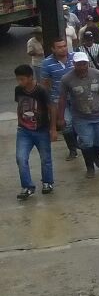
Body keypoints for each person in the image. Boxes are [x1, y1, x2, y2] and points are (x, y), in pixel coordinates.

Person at [58, 52, 99, 178]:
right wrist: (61, 117)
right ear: (74, 64)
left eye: (84, 64)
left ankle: (95, 156)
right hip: (80, 116)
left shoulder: (98, 74)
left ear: (88, 63)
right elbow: (62, 99)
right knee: (87, 142)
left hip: (98, 113)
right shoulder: (66, 79)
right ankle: (90, 167)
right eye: (79, 64)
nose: (82, 67)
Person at [14, 65, 55, 198]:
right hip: (23, 130)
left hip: (41, 129)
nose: (20, 82)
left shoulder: (41, 91)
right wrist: (20, 122)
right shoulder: (18, 90)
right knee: (21, 158)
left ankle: (47, 182)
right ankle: (27, 186)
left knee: (45, 158)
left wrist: (53, 128)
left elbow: (51, 108)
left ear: (30, 77)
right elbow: (20, 105)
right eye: (18, 79)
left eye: (22, 79)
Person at [42, 39, 81, 161]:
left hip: (77, 97)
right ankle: (72, 149)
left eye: (64, 46)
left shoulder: (75, 57)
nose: (63, 49)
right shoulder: (47, 63)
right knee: (66, 124)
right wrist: (50, 101)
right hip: (59, 99)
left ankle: (77, 142)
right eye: (59, 47)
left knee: (78, 123)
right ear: (53, 49)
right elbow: (46, 84)